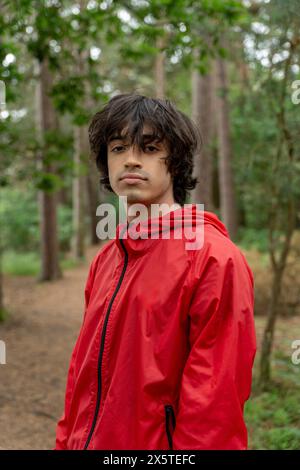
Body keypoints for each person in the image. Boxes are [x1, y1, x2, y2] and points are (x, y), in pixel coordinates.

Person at [54, 93, 256, 450]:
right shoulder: (108, 259)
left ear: (175, 164)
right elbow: (83, 375)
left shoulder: (213, 258)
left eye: (148, 148)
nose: (130, 160)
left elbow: (215, 402)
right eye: (117, 148)